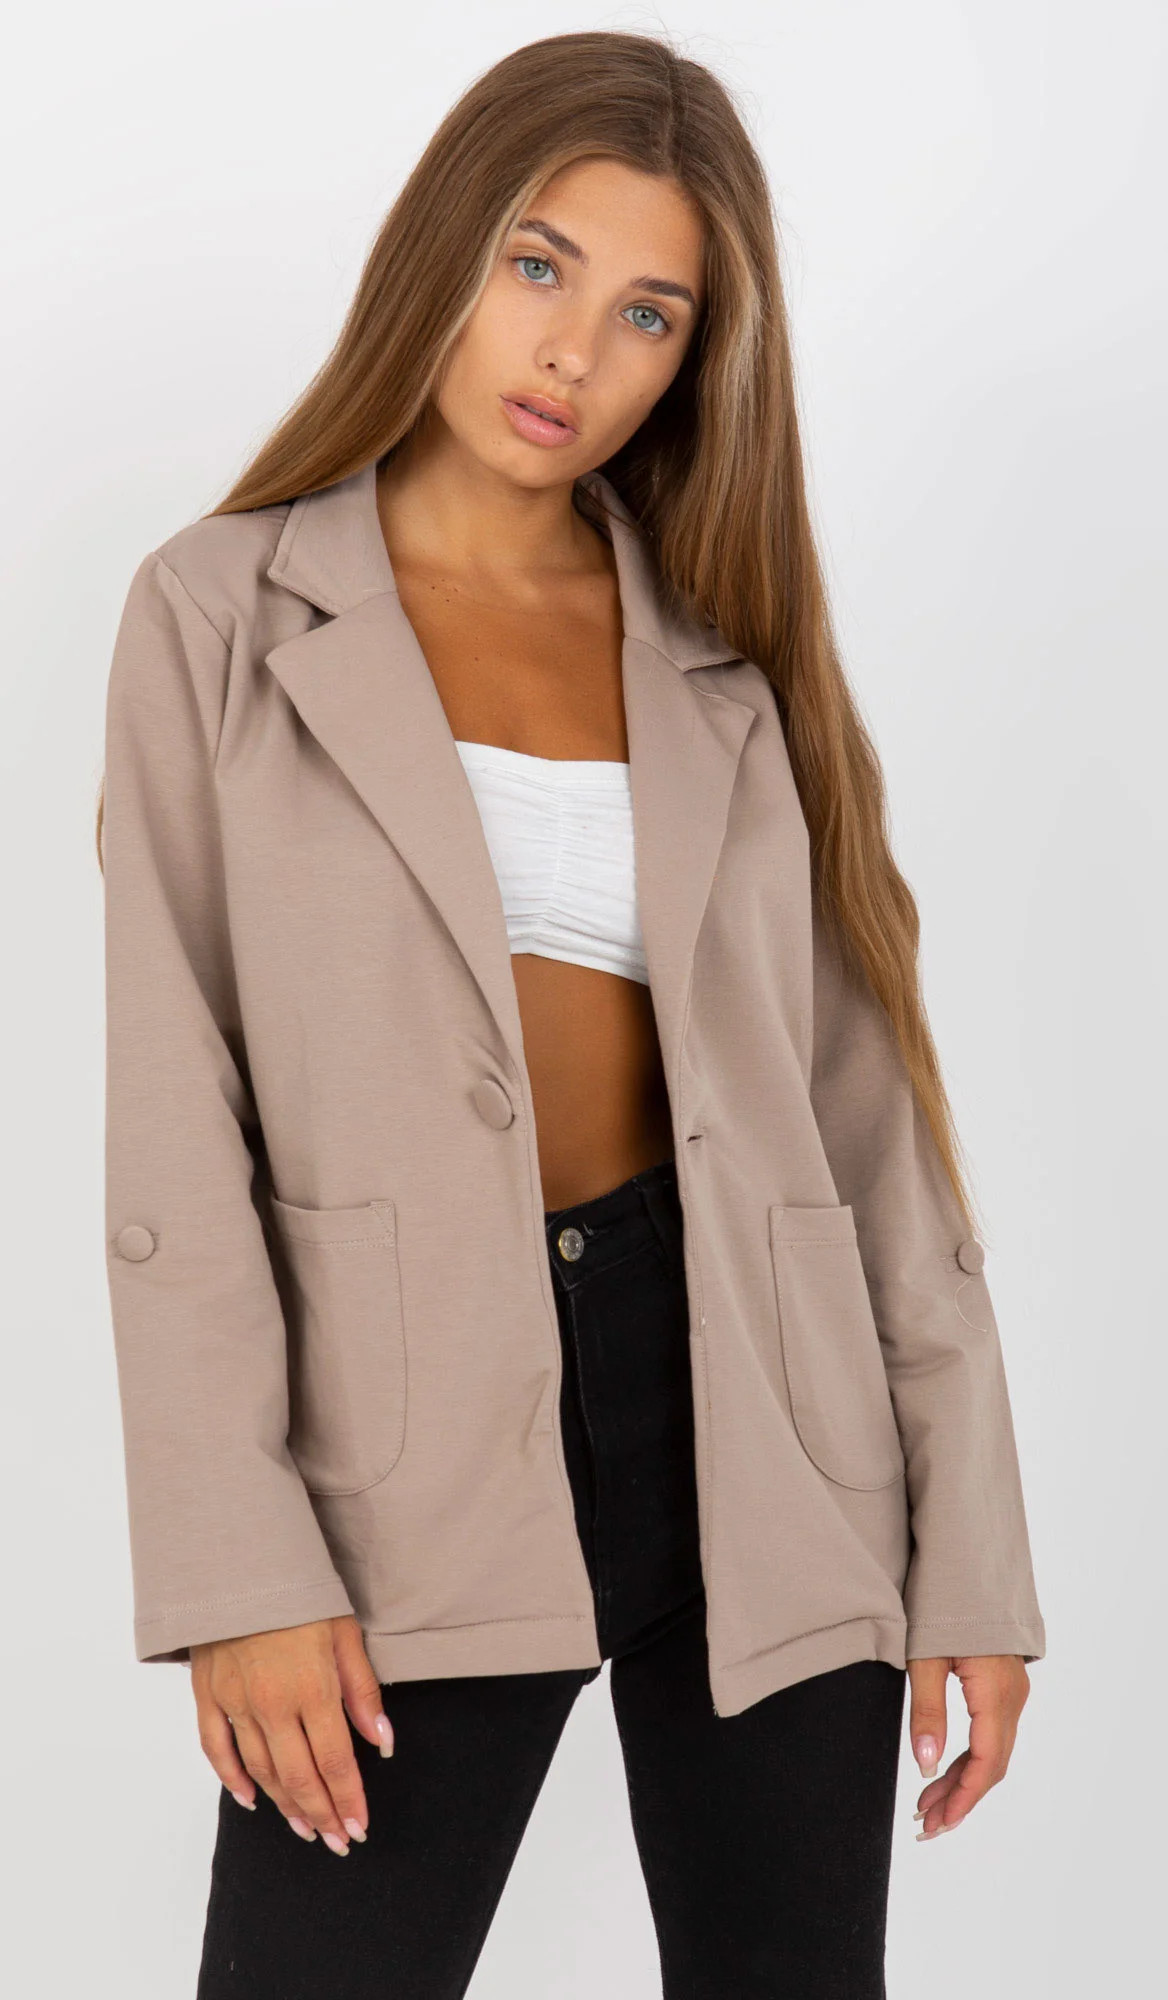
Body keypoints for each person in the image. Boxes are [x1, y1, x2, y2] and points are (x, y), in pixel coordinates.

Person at [98, 30, 1046, 1999]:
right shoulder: (219, 614)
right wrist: (238, 1567)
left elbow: (867, 1124)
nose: (572, 353)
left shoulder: (728, 654)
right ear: (445, 250)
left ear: (696, 357)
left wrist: (972, 1551)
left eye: (647, 313)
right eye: (539, 265)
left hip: (765, 1427)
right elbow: (175, 1123)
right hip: (405, 1442)